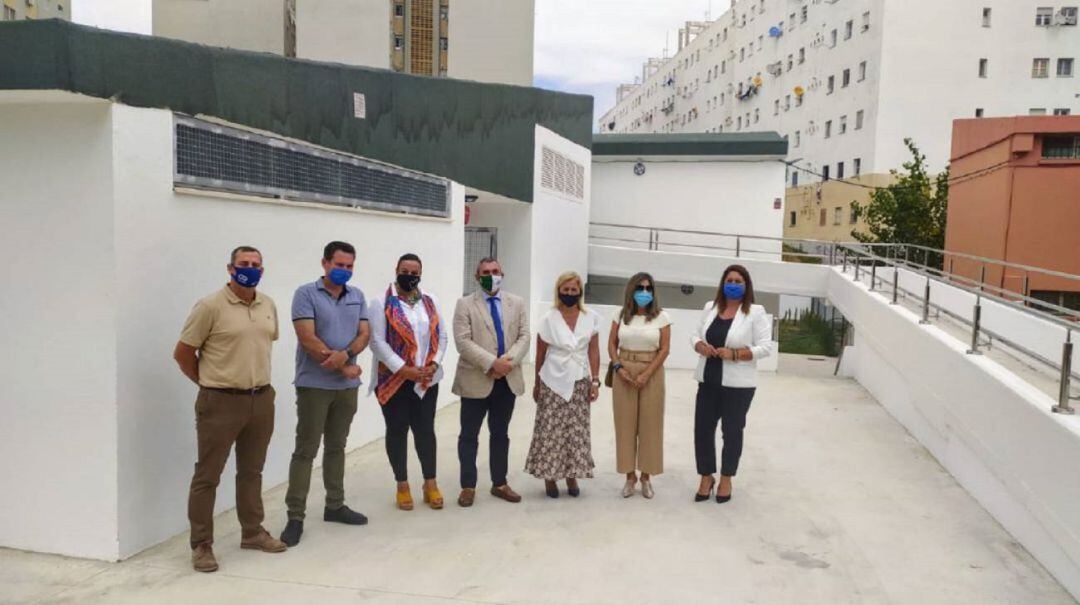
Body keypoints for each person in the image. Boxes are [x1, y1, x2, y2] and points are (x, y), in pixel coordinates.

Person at [173, 246, 287, 573]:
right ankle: (202, 545)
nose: (249, 269)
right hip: (220, 402)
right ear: (230, 268)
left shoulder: (268, 304)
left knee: (252, 471)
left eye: (255, 265)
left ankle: (252, 532)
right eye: (243, 264)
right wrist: (209, 383)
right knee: (208, 475)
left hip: (261, 399)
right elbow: (183, 353)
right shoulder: (209, 306)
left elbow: (262, 343)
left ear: (262, 270)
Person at [280, 241, 371, 547]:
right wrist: (342, 366)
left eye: (349, 266)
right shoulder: (305, 294)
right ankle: (295, 516)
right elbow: (307, 338)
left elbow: (364, 334)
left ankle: (335, 505)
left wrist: (345, 357)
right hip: (314, 386)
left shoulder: (356, 296)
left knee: (337, 446)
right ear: (325, 263)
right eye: (339, 265)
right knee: (306, 450)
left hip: (346, 389)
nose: (344, 270)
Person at [367, 253, 448, 510]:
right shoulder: (380, 302)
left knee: (426, 431)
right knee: (397, 431)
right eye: (405, 271)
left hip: (426, 379)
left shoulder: (430, 300)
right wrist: (404, 370)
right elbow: (377, 342)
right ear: (396, 270)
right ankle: (402, 485)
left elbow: (441, 335)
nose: (410, 276)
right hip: (394, 380)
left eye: (415, 272)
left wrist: (434, 363)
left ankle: (430, 483)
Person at [690, 264, 773, 504]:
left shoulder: (755, 312)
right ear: (722, 283)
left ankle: (726, 477)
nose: (733, 285)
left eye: (738, 281)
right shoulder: (711, 308)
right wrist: (699, 346)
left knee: (732, 432)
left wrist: (736, 354)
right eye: (730, 280)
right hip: (708, 379)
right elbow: (695, 334)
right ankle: (706, 476)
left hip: (739, 385)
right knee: (703, 430)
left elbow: (765, 347)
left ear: (746, 286)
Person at [452, 258, 531, 507]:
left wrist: (507, 362)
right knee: (469, 435)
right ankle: (468, 486)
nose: (491, 275)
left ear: (502, 273)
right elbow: (462, 342)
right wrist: (491, 364)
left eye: (495, 271)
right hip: (476, 379)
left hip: (506, 380)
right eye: (485, 272)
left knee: (500, 434)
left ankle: (500, 483)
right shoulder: (465, 304)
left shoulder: (516, 303)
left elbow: (524, 336)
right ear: (477, 277)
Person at [525, 271, 601, 498]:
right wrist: (537, 383)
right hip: (552, 379)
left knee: (576, 430)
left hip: (579, 379)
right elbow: (540, 352)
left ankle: (572, 474)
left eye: (573, 290)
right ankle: (550, 477)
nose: (569, 294)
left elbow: (594, 350)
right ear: (559, 291)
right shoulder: (549, 318)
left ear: (580, 292)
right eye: (565, 290)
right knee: (551, 430)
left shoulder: (591, 317)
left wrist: (595, 381)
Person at [607, 272, 671, 499]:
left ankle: (646, 477)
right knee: (624, 426)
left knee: (650, 426)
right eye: (640, 288)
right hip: (623, 371)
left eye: (648, 288)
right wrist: (619, 368)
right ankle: (629, 477)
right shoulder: (620, 315)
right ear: (631, 290)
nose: (644, 292)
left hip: (651, 372)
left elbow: (664, 349)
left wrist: (647, 374)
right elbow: (612, 345)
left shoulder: (661, 317)